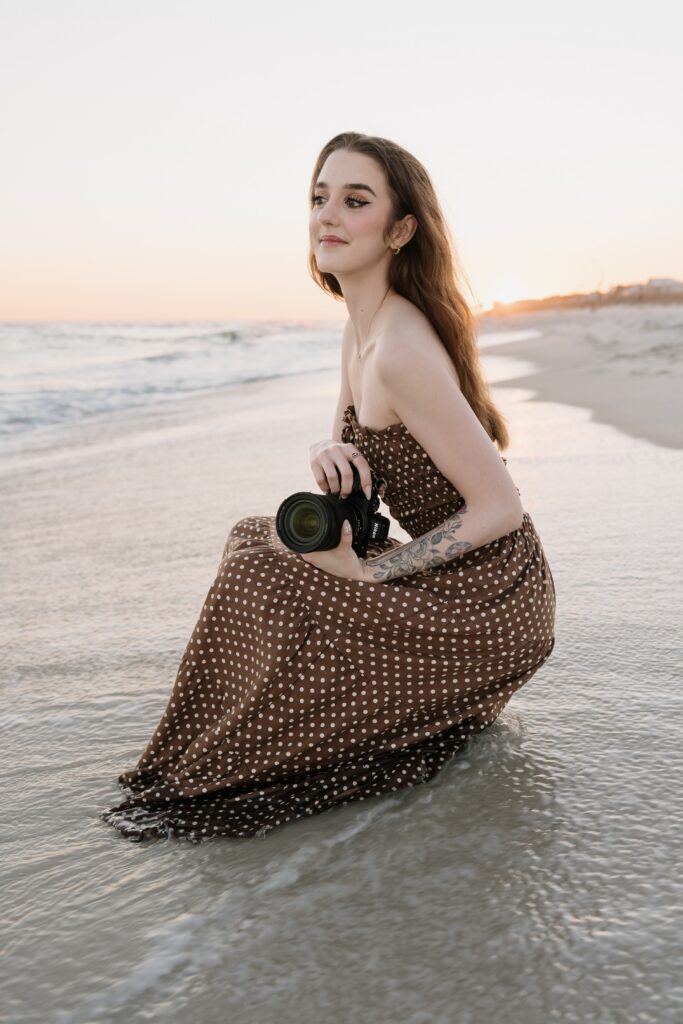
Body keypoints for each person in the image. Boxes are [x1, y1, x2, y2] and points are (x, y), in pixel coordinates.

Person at [100, 131, 556, 843]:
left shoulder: (399, 348)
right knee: (256, 538)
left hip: (494, 600)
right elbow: (347, 433)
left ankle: (232, 757)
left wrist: (372, 574)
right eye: (318, 198)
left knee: (265, 574)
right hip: (460, 576)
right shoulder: (361, 329)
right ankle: (254, 732)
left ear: (400, 229)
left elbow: (500, 508)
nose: (327, 216)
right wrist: (328, 446)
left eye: (354, 201)